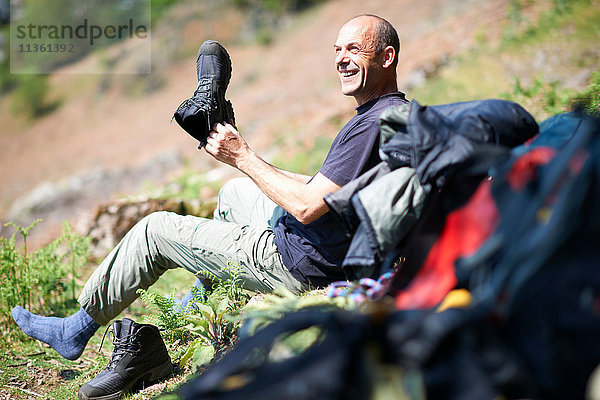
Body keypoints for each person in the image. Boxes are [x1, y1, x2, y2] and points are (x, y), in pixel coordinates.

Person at [12, 14, 408, 361]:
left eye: (354, 49)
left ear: (386, 57)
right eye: (337, 48)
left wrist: (243, 155)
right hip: (330, 244)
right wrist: (245, 159)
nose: (341, 59)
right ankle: (204, 299)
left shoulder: (371, 125)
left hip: (303, 263)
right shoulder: (393, 114)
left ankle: (76, 330)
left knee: (155, 230)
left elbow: (306, 207)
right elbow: (326, 190)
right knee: (234, 192)